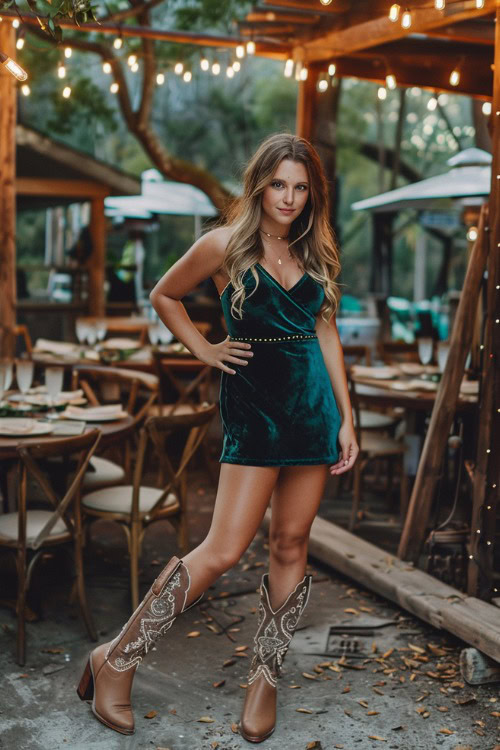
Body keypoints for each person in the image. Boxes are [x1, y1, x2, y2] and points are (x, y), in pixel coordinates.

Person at [77, 132, 359, 742]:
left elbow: (326, 335)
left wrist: (347, 415)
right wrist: (204, 349)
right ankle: (115, 661)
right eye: (280, 184)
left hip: (312, 414)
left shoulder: (316, 253)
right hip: (255, 412)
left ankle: (265, 679)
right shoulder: (223, 246)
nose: (289, 198)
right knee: (223, 548)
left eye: (301, 188)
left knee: (290, 543)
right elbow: (165, 294)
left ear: (313, 195)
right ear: (259, 184)